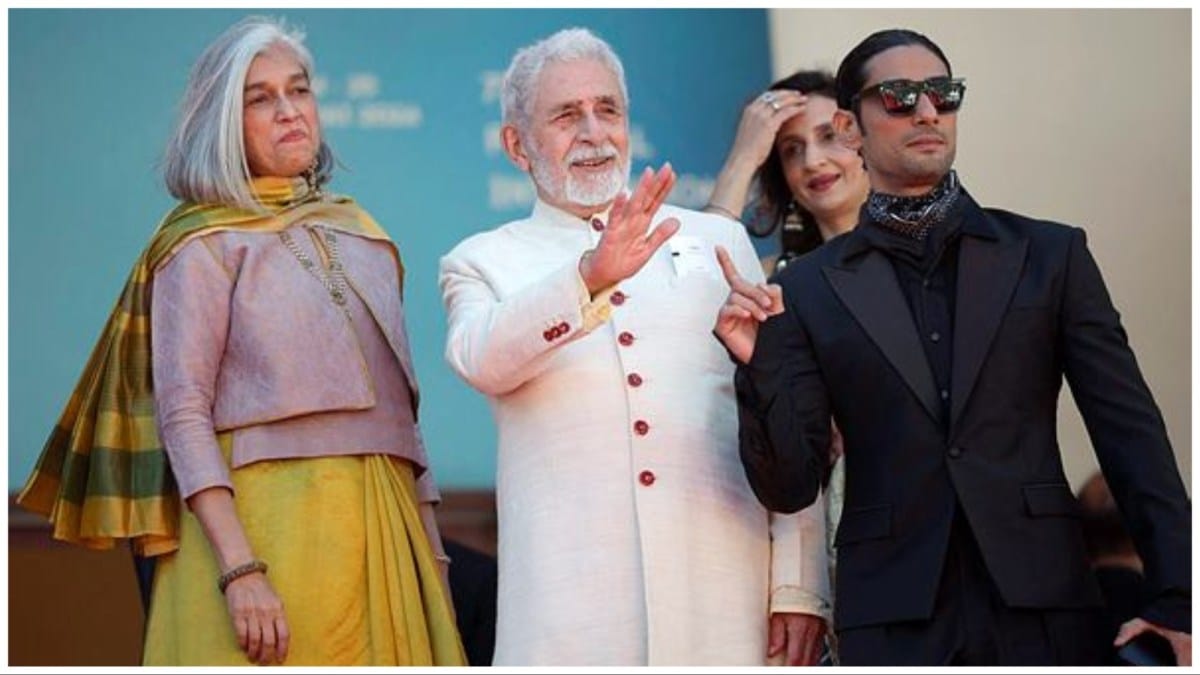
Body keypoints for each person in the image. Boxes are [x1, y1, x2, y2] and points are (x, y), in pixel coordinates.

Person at [734, 28, 1191, 666]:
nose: (927, 111)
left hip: (1045, 602)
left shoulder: (1050, 255)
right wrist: (761, 368)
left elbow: (1130, 433)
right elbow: (789, 485)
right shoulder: (807, 288)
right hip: (892, 618)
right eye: (899, 96)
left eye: (943, 94)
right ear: (849, 127)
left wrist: (1180, 596)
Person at [17, 17, 465, 666]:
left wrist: (436, 565)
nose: (289, 110)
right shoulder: (200, 243)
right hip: (262, 532)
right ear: (222, 123)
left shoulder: (365, 234)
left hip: (385, 529)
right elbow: (183, 412)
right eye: (260, 98)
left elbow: (405, 424)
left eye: (299, 90)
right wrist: (240, 571)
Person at [439, 27, 829, 666]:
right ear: (516, 145)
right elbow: (480, 358)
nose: (594, 132)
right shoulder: (482, 261)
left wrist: (798, 587)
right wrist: (588, 277)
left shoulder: (717, 243)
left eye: (608, 110)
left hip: (725, 604)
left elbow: (783, 416)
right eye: (566, 115)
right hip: (570, 619)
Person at [707, 69, 870, 664]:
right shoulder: (773, 286)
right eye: (790, 150)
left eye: (830, 136)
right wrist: (742, 159)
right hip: (825, 538)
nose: (813, 161)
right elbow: (692, 282)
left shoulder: (927, 264)